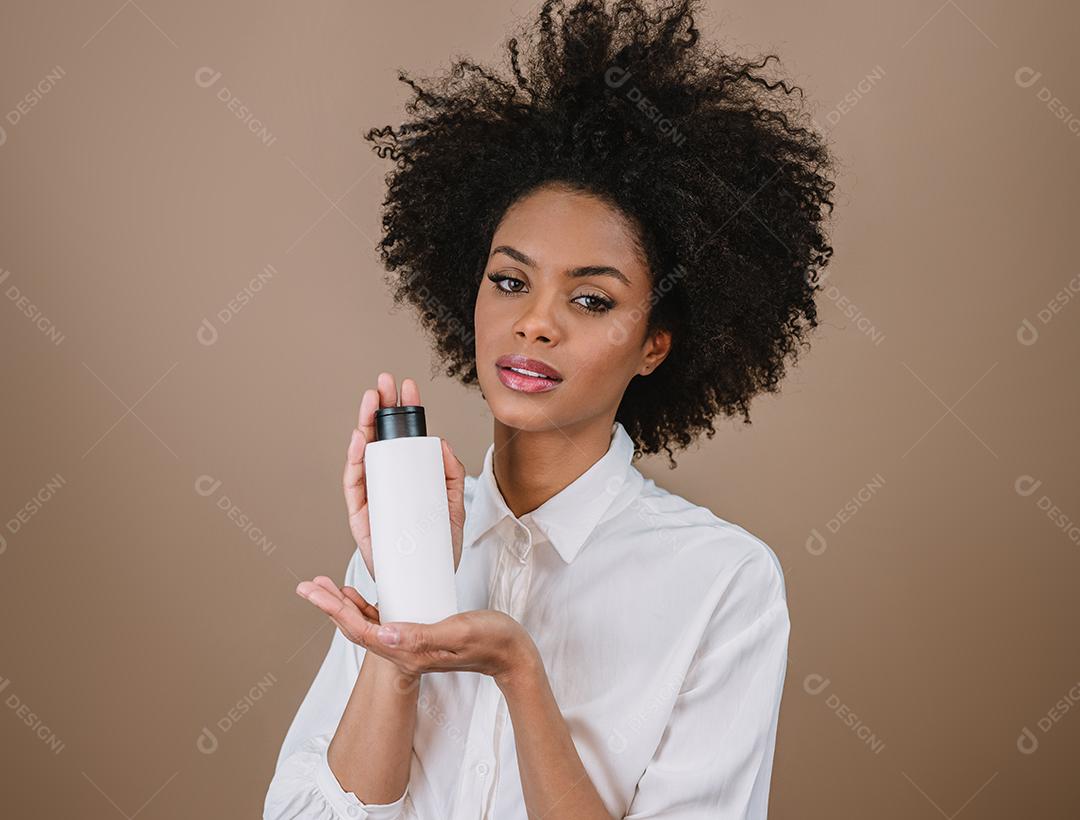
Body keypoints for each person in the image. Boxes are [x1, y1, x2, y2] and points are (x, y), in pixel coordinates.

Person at [264, 0, 836, 817]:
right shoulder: (401, 552)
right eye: (509, 281)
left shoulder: (722, 583)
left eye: (592, 300)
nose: (535, 320)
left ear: (654, 346)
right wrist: (397, 645)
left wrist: (518, 672)